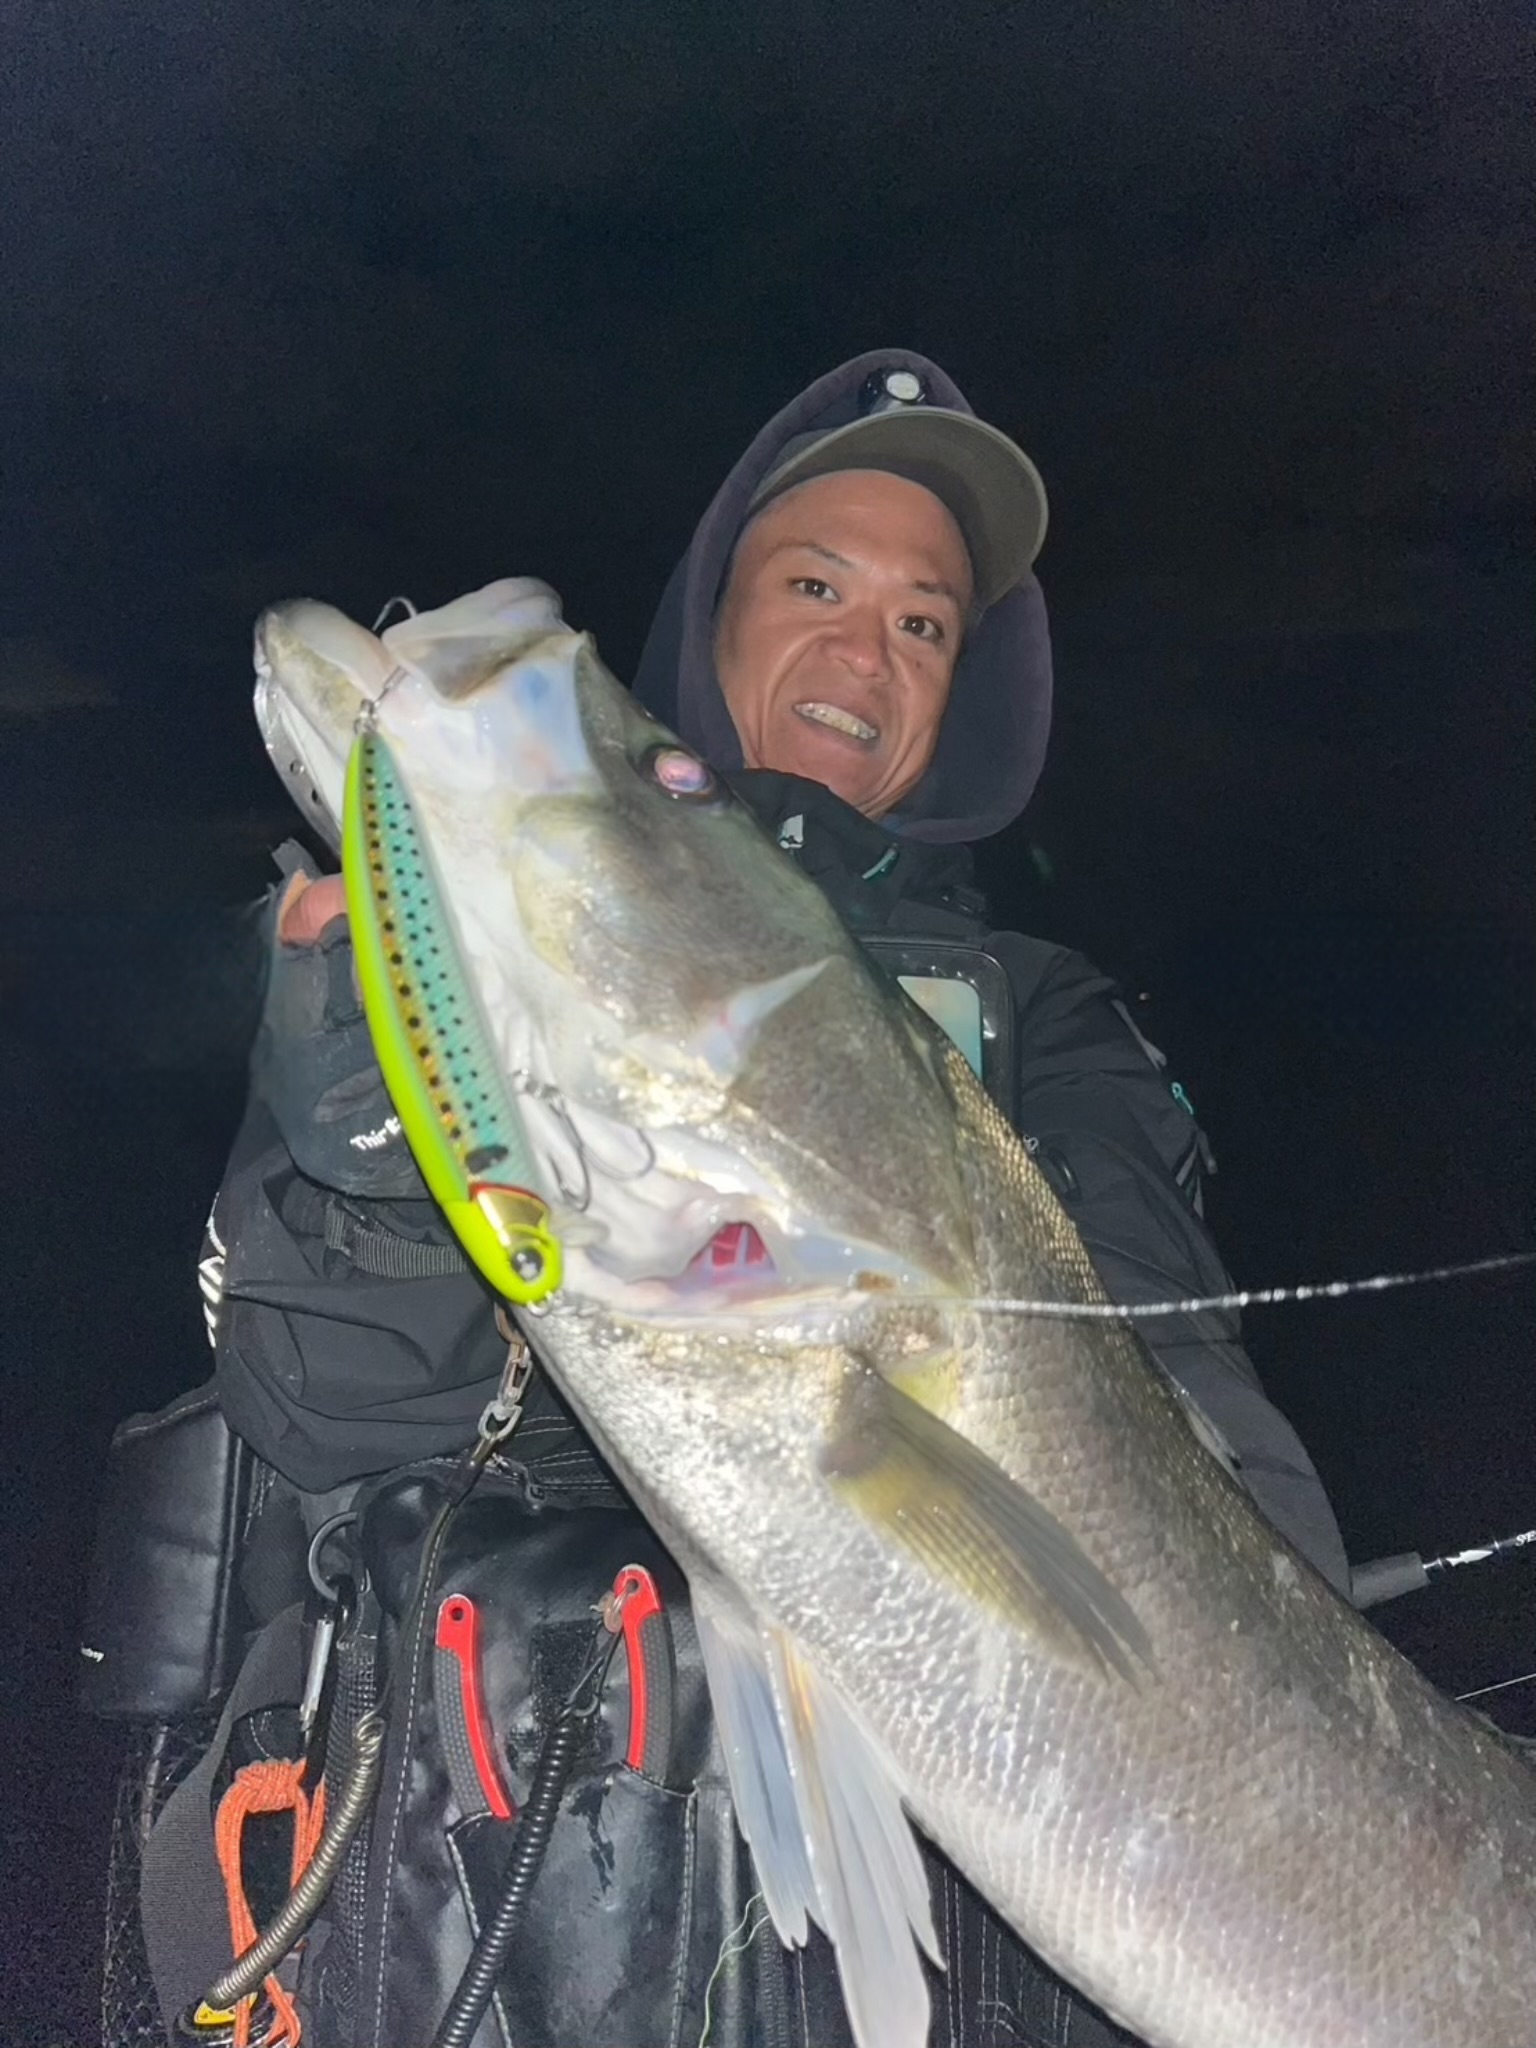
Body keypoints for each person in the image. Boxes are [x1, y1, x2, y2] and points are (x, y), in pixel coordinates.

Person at [90, 352, 1349, 2048]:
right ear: (714, 618)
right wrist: (372, 1155)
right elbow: (333, 1414)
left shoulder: (1048, 1014)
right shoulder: (479, 966)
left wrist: (1302, 1748)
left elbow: (1189, 1397)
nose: (867, 652)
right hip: (507, 1904)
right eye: (815, 586)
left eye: (924, 624)